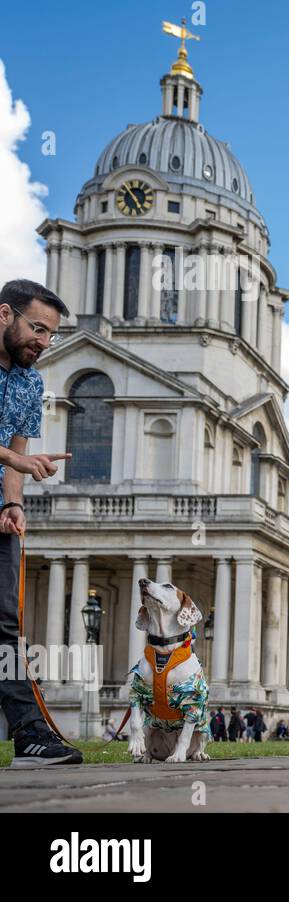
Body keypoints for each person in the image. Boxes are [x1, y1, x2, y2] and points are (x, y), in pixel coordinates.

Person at [0, 280, 77, 767]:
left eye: (51, 335)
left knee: (6, 624)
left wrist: (13, 504)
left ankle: (29, 735)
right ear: (4, 314)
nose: (43, 342)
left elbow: (18, 452)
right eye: (37, 329)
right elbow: (14, 455)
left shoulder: (30, 382)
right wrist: (14, 459)